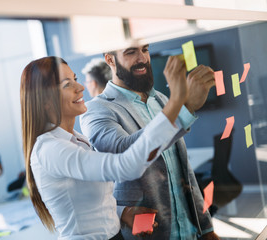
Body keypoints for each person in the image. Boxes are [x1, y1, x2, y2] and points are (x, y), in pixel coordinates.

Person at [20, 56, 189, 239]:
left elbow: (85, 205)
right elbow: (126, 166)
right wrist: (176, 103)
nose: (81, 88)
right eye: (67, 84)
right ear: (44, 101)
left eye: (75, 80)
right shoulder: (50, 149)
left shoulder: (78, 140)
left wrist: (122, 212)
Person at [80, 44, 220, 240]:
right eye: (131, 52)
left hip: (189, 231)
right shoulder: (96, 109)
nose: (142, 58)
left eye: (145, 50)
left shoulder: (161, 100)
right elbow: (124, 151)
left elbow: (185, 173)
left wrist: (206, 228)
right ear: (110, 60)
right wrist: (184, 107)